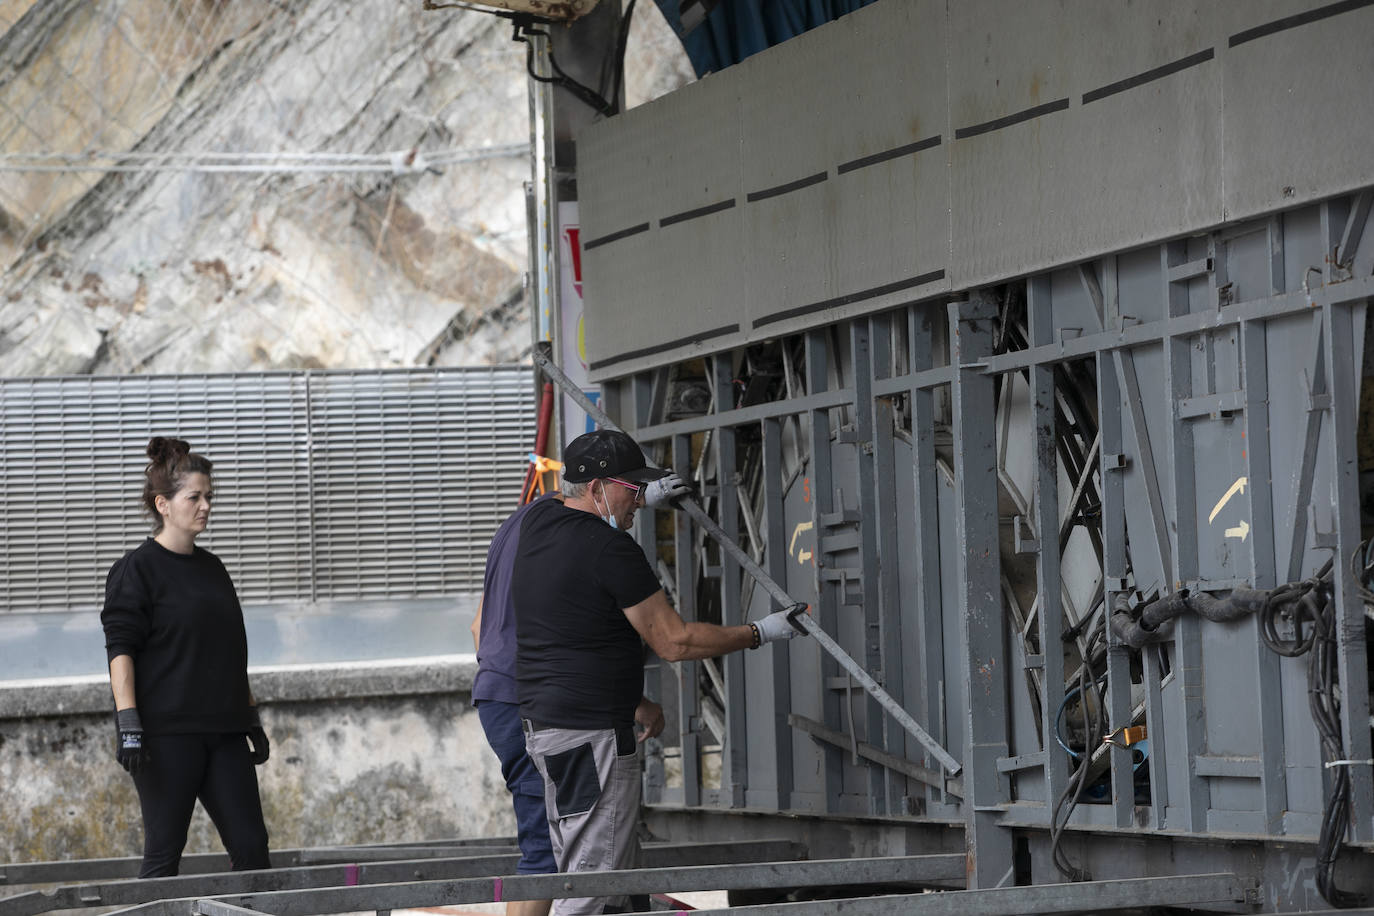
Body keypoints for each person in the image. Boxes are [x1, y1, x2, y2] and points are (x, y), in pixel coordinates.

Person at [514, 428, 806, 915]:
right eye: (630, 491)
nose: (636, 503)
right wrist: (760, 632)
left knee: (591, 869)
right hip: (592, 739)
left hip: (547, 729)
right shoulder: (611, 552)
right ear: (596, 488)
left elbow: (582, 631)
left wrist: (641, 498)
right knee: (594, 885)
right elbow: (674, 641)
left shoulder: (538, 523)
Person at [100, 437, 271, 877]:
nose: (205, 506)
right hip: (166, 737)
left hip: (225, 731)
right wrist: (129, 723)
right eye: (194, 497)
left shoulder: (214, 569)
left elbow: (230, 652)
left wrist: (250, 718)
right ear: (164, 504)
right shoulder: (136, 569)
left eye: (209, 497)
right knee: (163, 856)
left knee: (253, 851)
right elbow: (121, 650)